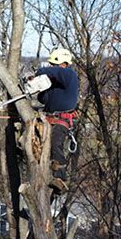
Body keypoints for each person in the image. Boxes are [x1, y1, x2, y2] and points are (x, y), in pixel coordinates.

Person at [34, 48, 79, 193]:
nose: (53, 67)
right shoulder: (56, 83)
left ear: (64, 63)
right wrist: (41, 89)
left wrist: (40, 72)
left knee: (55, 144)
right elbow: (44, 99)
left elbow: (54, 72)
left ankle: (60, 178)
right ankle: (42, 174)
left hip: (61, 119)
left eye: (55, 64)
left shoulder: (69, 75)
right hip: (49, 118)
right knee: (37, 145)